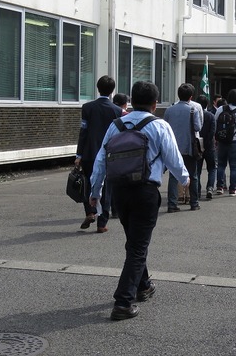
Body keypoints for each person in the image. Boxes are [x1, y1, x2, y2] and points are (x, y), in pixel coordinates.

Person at [90, 81, 189, 321]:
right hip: (145, 191)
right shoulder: (159, 126)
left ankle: (144, 286)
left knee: (134, 242)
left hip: (119, 191)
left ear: (132, 100)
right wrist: (185, 180)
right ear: (155, 104)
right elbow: (173, 159)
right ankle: (123, 302)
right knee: (137, 247)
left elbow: (101, 160)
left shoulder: (116, 126)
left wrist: (95, 192)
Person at [74, 75, 122, 233]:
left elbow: (83, 131)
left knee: (88, 183)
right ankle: (102, 223)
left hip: (89, 152)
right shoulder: (116, 110)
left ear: (97, 88)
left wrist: (79, 155)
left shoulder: (87, 107)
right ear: (112, 91)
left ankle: (90, 212)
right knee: (107, 187)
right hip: (109, 154)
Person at [163, 83, 202, 212]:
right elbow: (197, 127)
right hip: (189, 147)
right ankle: (194, 203)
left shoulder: (169, 110)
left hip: (173, 147)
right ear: (191, 97)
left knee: (173, 176)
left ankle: (172, 204)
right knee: (193, 175)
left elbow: (165, 127)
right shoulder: (193, 110)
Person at [196, 94, 216, 199]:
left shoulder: (194, 115)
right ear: (207, 104)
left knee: (197, 170)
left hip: (197, 146)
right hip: (209, 146)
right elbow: (212, 131)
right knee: (212, 168)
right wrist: (208, 142)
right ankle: (210, 188)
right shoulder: (210, 116)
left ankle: (197, 190)